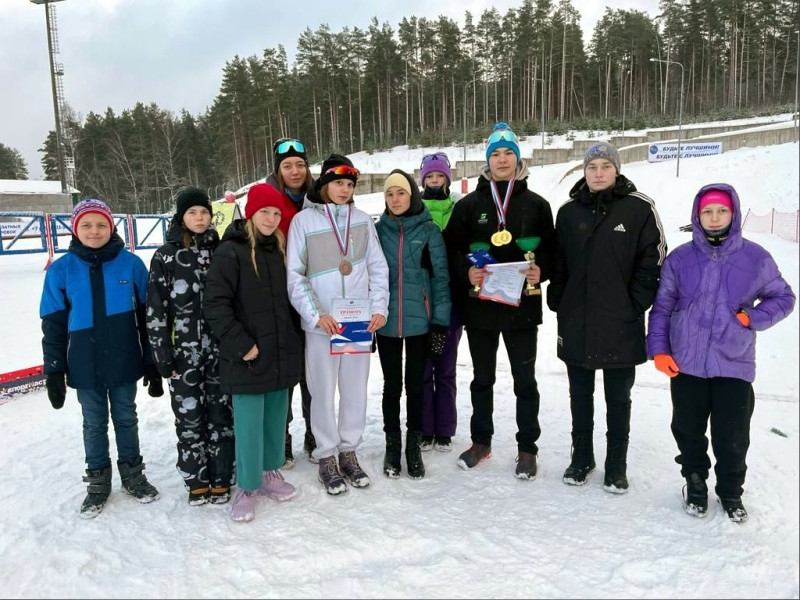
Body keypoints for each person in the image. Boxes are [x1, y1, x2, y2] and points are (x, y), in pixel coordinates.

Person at [647, 184, 795, 522]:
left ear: (734, 214)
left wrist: (753, 317)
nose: (714, 218)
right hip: (685, 363)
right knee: (687, 429)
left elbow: (783, 297)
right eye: (707, 212)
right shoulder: (680, 259)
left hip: (734, 363)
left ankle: (730, 492)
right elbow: (663, 306)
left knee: (732, 436)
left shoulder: (755, 257)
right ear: (697, 216)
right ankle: (695, 482)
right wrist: (659, 349)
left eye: (721, 211)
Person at [546, 142, 667, 494]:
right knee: (579, 394)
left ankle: (617, 464)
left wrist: (636, 302)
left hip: (620, 319)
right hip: (577, 319)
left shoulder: (639, 208)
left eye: (604, 166)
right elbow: (559, 261)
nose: (598, 173)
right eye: (592, 166)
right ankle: (582, 457)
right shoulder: (568, 212)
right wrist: (559, 298)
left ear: (616, 169)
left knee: (619, 397)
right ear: (584, 171)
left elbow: (654, 256)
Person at [442, 122, 556, 480]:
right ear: (486, 161)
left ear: (518, 160)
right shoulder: (469, 205)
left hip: (522, 307)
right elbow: (450, 250)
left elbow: (552, 252)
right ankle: (481, 441)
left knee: (525, 381)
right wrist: (467, 273)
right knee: (482, 379)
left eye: (509, 153)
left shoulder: (537, 204)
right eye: (496, 154)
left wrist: (543, 272)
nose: (502, 159)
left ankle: (527, 448)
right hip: (481, 308)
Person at [40, 198, 161, 518]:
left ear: (112, 226)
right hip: (84, 364)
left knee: (126, 417)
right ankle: (98, 483)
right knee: (93, 424)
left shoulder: (131, 264)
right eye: (87, 225)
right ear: (75, 228)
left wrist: (151, 360)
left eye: (102, 225)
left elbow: (148, 319)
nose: (95, 231)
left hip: (124, 360)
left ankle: (133, 476)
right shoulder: (61, 270)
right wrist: (54, 369)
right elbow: (52, 325)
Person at [286, 154, 389, 495]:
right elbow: (295, 276)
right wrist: (316, 315)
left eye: (349, 184)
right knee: (322, 391)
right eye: (338, 183)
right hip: (323, 325)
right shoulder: (303, 221)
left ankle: (349, 451)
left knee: (355, 389)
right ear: (324, 185)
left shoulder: (362, 220)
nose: (344, 190)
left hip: (358, 320)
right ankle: (326, 454)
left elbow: (378, 268)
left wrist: (380, 308)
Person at [203, 183, 303, 522]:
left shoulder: (279, 249)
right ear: (251, 213)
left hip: (279, 351)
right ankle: (246, 486)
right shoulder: (231, 251)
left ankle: (270, 473)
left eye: (276, 213)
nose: (272, 219)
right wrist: (242, 344)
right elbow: (215, 304)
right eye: (265, 212)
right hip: (246, 355)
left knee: (275, 419)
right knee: (248, 424)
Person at [146, 187, 235, 506]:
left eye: (204, 212)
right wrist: (161, 355)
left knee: (221, 414)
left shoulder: (222, 250)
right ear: (181, 217)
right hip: (183, 352)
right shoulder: (166, 255)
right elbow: (155, 308)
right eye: (192, 212)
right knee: (189, 417)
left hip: (220, 350)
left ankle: (222, 475)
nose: (200, 218)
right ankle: (196, 479)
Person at [375, 169, 451, 479]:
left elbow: (441, 279)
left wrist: (440, 322)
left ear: (412, 195)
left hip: (421, 322)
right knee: (391, 386)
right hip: (387, 322)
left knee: (416, 386)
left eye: (401, 193)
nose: (395, 199)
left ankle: (413, 446)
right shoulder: (378, 231)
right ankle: (392, 445)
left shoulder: (429, 231)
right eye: (389, 194)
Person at [265, 137, 317, 467]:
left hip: (316, 294)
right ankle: (282, 436)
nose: (295, 171)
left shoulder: (318, 197)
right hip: (279, 297)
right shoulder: (269, 199)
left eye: (300, 164)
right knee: (283, 368)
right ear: (278, 169)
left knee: (313, 368)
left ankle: (315, 431)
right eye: (287, 165)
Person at [419, 151, 462, 453]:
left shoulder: (458, 210)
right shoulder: (416, 210)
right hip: (421, 301)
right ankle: (424, 427)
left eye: (439, 177)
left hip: (452, 300)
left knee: (445, 366)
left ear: (447, 179)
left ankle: (445, 428)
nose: (434, 182)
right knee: (423, 368)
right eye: (429, 177)